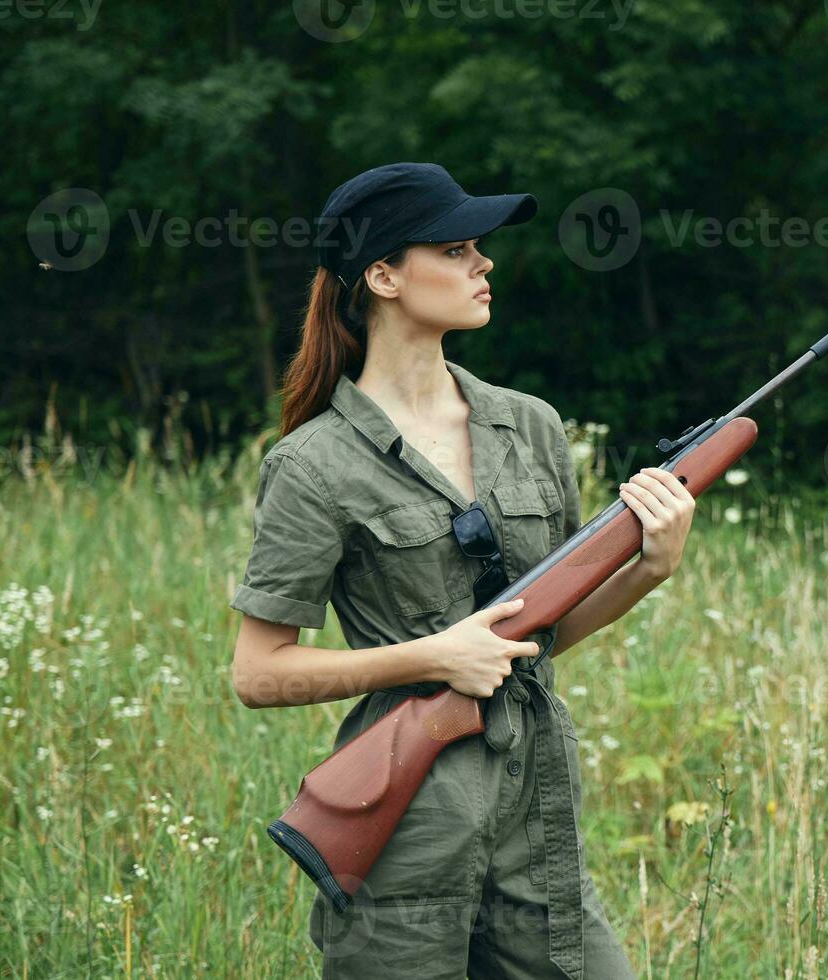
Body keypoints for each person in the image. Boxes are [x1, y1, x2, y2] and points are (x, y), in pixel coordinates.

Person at [228, 162, 695, 979]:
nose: (484, 264)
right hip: (407, 826)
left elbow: (535, 638)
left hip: (537, 814)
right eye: (455, 247)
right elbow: (259, 674)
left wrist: (648, 567)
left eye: (479, 247)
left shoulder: (532, 427)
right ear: (382, 276)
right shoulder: (312, 464)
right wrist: (434, 657)